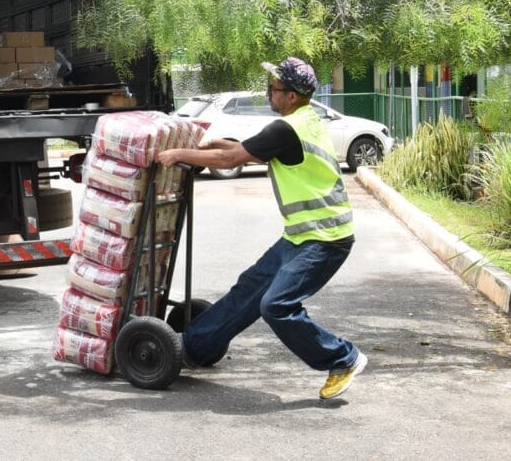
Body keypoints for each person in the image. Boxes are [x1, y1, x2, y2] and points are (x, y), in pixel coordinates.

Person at [157, 57, 366, 400]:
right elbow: (247, 152)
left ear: (293, 96)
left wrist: (179, 153)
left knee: (276, 305)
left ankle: (343, 358)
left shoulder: (287, 128)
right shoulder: (302, 121)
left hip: (325, 240)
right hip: (303, 236)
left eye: (275, 89)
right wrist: (207, 146)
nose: (269, 93)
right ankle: (195, 347)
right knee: (249, 290)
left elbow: (231, 160)